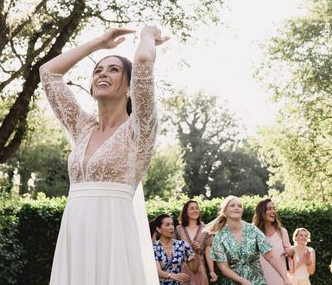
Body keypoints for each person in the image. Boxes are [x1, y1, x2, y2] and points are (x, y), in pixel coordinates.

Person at [40, 26, 169, 285]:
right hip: (75, 232)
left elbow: (143, 61)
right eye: (97, 70)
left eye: (114, 70)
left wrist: (147, 35)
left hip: (114, 235)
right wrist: (99, 43)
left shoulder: (140, 128)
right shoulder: (81, 128)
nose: (103, 74)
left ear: (131, 88)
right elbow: (49, 73)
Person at [206, 196, 291, 285]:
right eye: (232, 205)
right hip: (232, 282)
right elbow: (223, 268)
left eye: (239, 206)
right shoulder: (219, 237)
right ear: (224, 211)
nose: (236, 208)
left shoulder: (253, 230)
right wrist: (242, 281)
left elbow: (270, 256)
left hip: (257, 281)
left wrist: (285, 277)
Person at [253, 198, 294, 284]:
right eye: (269, 209)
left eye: (274, 208)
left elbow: (290, 251)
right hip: (258, 276)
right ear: (261, 212)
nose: (273, 211)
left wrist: (291, 251)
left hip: (278, 276)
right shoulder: (253, 231)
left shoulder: (282, 231)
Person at [176, 200, 217, 284]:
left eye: (197, 208)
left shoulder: (205, 229)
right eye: (192, 208)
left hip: (200, 270)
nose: (195, 211)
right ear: (185, 212)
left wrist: (212, 271)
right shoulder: (178, 229)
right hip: (183, 271)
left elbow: (208, 250)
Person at [152, 213, 200, 284]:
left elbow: (195, 270)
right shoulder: (154, 248)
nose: (171, 227)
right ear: (159, 229)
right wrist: (171, 275)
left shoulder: (183, 245)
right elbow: (157, 271)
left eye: (172, 224)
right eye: (167, 225)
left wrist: (197, 253)